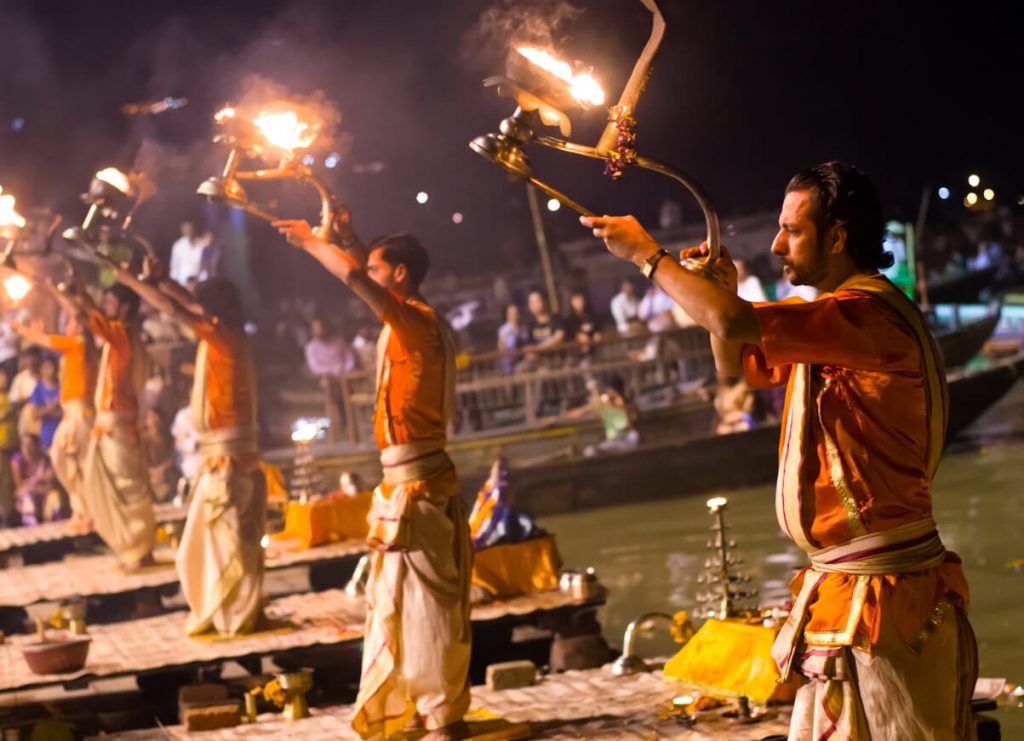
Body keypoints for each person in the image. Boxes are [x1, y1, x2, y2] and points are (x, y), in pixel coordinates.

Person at [582, 161, 975, 740]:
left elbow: (727, 320)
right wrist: (723, 293)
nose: (775, 244)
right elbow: (733, 359)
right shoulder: (832, 318)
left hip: (886, 597)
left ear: (837, 237)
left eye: (791, 229)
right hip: (843, 588)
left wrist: (649, 257)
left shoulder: (865, 314)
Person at [275, 219, 470, 741]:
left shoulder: (416, 322)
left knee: (426, 607)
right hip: (401, 482)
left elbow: (360, 282)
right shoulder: (409, 317)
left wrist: (314, 243)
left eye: (379, 267)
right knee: (398, 605)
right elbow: (370, 273)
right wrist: (346, 235)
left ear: (400, 275)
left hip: (420, 486)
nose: (367, 272)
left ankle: (443, 718)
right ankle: (423, 710)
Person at [113, 260, 265, 636]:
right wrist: (163, 280)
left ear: (212, 310)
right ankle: (231, 612)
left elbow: (173, 311)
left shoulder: (221, 336)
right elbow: (188, 306)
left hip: (228, 461)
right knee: (220, 541)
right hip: (225, 456)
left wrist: (131, 280)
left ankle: (235, 615)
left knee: (223, 542)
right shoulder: (225, 331)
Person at [68, 282, 156, 569]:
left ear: (125, 307)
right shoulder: (117, 339)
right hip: (110, 427)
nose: (105, 308)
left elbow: (98, 323)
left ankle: (140, 550)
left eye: (109, 303)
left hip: (118, 428)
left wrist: (82, 294)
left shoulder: (123, 336)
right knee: (119, 489)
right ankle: (134, 549)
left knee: (127, 488)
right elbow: (91, 322)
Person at [8, 303, 98, 531]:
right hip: (72, 413)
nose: (66, 326)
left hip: (78, 414)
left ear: (79, 326)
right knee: (69, 464)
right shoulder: (75, 348)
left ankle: (88, 513)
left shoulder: (77, 344)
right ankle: (83, 512)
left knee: (73, 463)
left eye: (70, 321)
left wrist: (21, 328)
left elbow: (45, 341)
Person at [304, 317, 355, 440]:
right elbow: (315, 367)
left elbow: (349, 358)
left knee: (348, 390)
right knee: (337, 393)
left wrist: (345, 371)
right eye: (316, 328)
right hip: (327, 382)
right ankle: (345, 424)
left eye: (321, 327)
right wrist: (331, 372)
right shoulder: (311, 347)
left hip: (346, 379)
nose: (319, 330)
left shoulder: (338, 342)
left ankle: (351, 425)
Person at [12, 432, 65, 526]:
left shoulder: (45, 459)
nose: (27, 449)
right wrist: (38, 482)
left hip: (44, 493)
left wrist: (33, 485)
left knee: (54, 496)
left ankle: (55, 530)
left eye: (30, 445)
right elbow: (20, 488)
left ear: (36, 446)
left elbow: (51, 485)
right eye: (24, 445)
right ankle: (31, 532)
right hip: (29, 495)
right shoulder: (18, 460)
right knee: (28, 499)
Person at [27, 356, 61, 450]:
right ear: (41, 369)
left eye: (51, 367)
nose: (49, 370)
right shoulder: (38, 388)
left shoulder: (62, 387)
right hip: (47, 437)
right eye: (46, 367)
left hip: (62, 436)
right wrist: (51, 407)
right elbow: (34, 414)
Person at [169, 221, 206, 286]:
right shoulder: (178, 245)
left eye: (190, 229)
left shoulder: (203, 245)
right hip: (182, 283)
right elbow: (174, 267)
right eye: (186, 230)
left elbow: (205, 268)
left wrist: (201, 281)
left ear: (194, 229)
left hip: (199, 283)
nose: (189, 232)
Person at [496, 303, 524, 376]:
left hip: (521, 357)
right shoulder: (503, 329)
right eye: (511, 313)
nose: (514, 315)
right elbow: (500, 347)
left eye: (515, 312)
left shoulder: (523, 328)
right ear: (507, 315)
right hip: (508, 359)